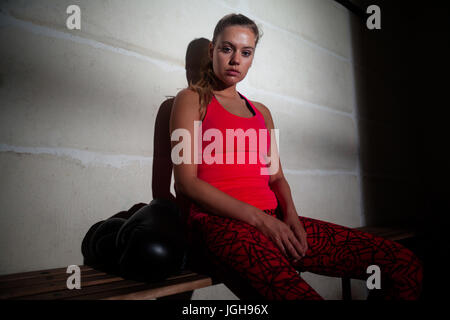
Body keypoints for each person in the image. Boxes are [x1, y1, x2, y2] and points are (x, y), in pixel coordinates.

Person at [169, 13, 423, 300]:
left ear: (252, 57)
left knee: (403, 264)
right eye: (227, 48)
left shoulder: (262, 112)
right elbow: (186, 183)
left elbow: (276, 175)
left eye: (246, 52)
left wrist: (291, 216)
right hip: (219, 225)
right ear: (212, 50)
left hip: (273, 218)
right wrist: (260, 221)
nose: (235, 59)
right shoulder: (191, 100)